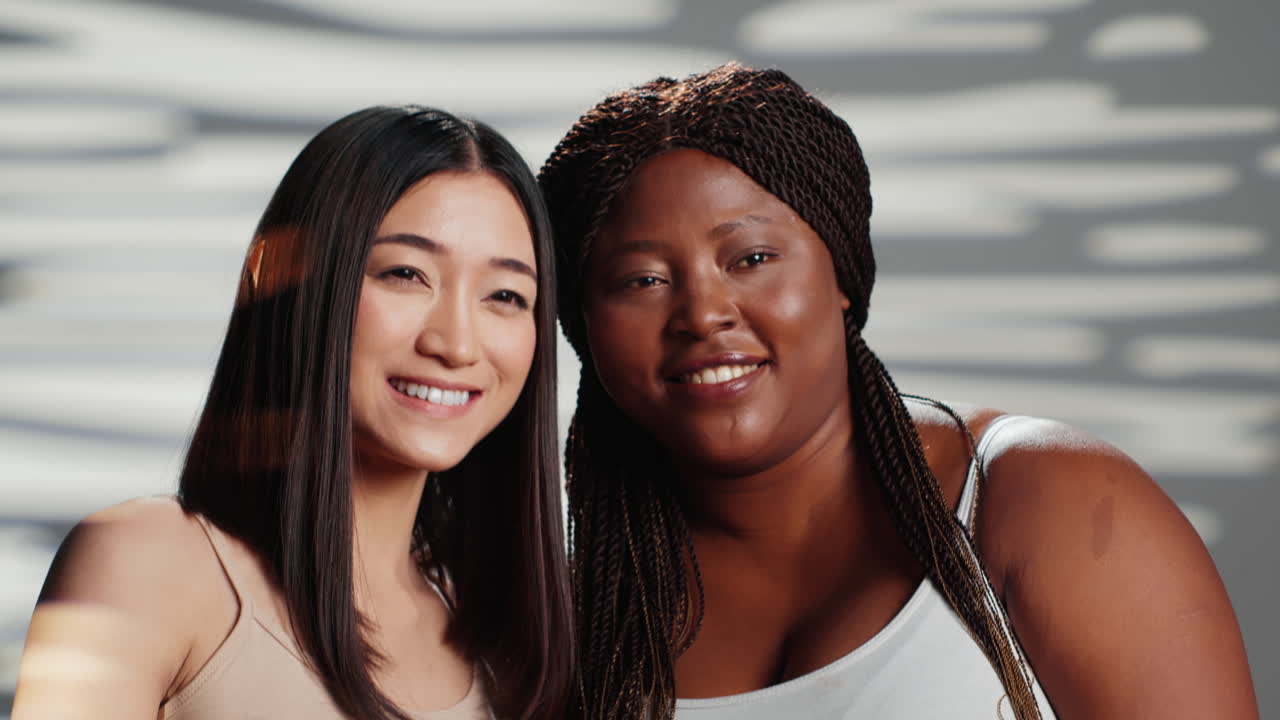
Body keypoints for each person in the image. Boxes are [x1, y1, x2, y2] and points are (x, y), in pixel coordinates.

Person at [538, 64, 1258, 720]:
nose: (703, 313)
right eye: (642, 281)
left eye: (752, 258)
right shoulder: (567, 606)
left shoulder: (1044, 501)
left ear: (843, 277)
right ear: (583, 325)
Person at [14, 106, 572, 720]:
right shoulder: (147, 563)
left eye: (505, 296)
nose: (456, 343)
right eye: (405, 274)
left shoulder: (506, 635)